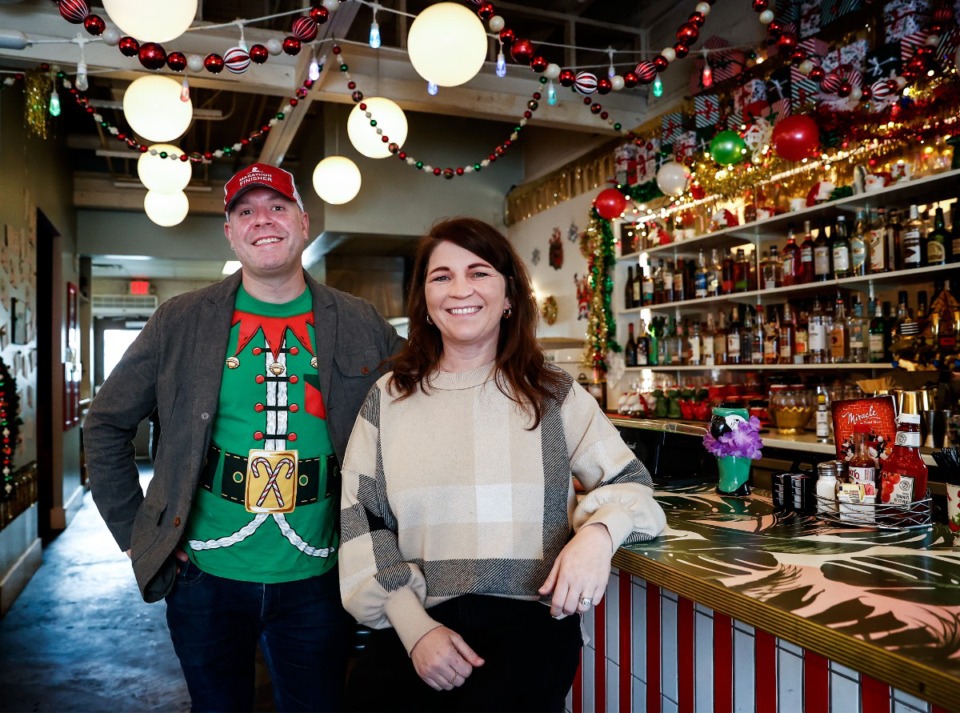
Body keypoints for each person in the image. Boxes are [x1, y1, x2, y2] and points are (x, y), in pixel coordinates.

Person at [84, 163, 404, 712]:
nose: (263, 220)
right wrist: (139, 532)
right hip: (204, 577)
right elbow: (106, 424)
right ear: (230, 232)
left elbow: (413, 414)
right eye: (246, 211)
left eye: (277, 207)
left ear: (303, 222)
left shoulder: (360, 321)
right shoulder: (178, 321)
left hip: (323, 574)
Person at [338, 217, 666, 712]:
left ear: (510, 295)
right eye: (441, 276)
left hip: (528, 639)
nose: (460, 289)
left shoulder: (551, 392)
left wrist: (599, 536)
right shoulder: (388, 398)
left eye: (479, 272)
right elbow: (362, 521)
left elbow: (632, 485)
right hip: (417, 632)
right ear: (424, 301)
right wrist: (415, 628)